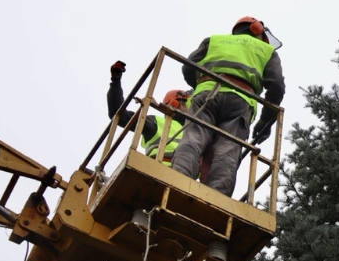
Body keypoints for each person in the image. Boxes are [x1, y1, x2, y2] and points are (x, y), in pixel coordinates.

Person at [171, 16, 285, 197]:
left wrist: (201, 86)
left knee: (193, 139)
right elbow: (276, 86)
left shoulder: (214, 40)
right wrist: (265, 122)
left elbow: (188, 67)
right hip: (240, 101)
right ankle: (215, 198)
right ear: (257, 30)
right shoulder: (267, 50)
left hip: (205, 95)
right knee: (227, 151)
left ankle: (176, 181)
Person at [107, 60, 190, 165]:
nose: (190, 109)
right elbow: (120, 116)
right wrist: (115, 83)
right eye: (185, 104)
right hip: (160, 170)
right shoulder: (157, 123)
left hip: (184, 177)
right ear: (174, 104)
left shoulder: (194, 131)